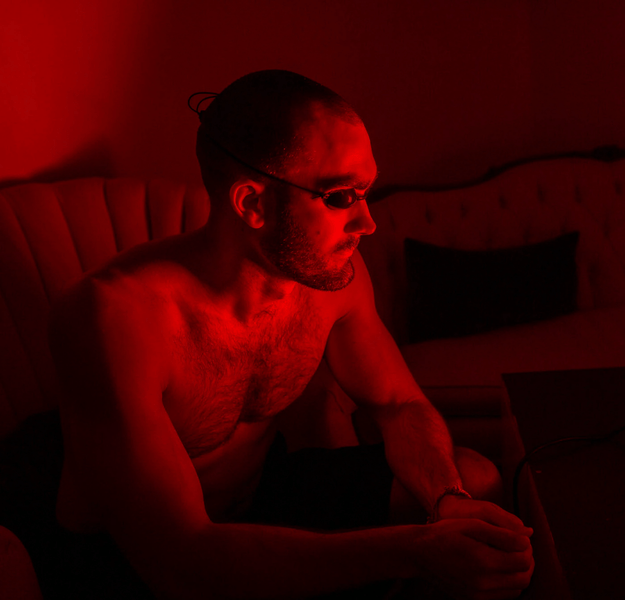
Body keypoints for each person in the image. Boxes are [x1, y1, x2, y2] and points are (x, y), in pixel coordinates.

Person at [47, 70, 534, 599]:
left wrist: (448, 503)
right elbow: (179, 559)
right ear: (253, 204)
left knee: (476, 479)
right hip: (131, 558)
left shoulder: (329, 276)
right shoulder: (115, 316)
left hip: (258, 498)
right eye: (342, 196)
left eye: (366, 191)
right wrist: (415, 549)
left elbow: (396, 403)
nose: (367, 223)